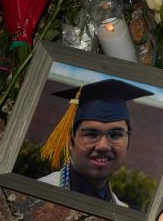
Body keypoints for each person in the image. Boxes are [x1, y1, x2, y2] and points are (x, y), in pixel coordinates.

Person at [39, 77, 152, 206]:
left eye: (115, 135)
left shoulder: (122, 210)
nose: (103, 146)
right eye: (91, 134)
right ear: (71, 140)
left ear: (128, 142)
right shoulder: (39, 193)